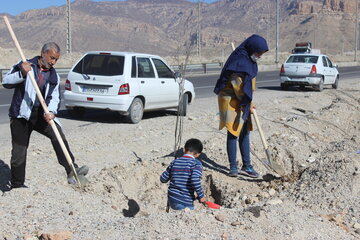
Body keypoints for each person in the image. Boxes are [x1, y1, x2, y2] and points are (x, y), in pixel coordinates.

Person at [2, 42, 89, 188]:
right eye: (52, 58)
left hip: (41, 115)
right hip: (21, 116)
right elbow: (6, 82)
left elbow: (55, 97)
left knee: (58, 135)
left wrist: (51, 112)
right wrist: (21, 73)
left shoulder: (53, 75)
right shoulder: (25, 64)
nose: (53, 62)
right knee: (19, 152)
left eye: (56, 59)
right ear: (43, 53)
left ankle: (72, 170)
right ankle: (17, 185)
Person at [214, 34, 269, 178]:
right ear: (252, 49)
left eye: (261, 54)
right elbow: (238, 87)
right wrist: (248, 103)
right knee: (233, 131)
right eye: (258, 53)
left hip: (243, 98)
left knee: (245, 130)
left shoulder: (248, 60)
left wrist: (249, 101)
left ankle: (247, 166)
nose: (259, 56)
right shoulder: (238, 62)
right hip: (230, 99)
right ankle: (233, 167)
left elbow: (248, 84)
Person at [160, 138, 206, 210]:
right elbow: (194, 180)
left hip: (172, 199)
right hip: (185, 200)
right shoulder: (196, 164)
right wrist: (201, 196)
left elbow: (163, 179)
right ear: (198, 154)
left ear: (184, 149)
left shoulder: (175, 162)